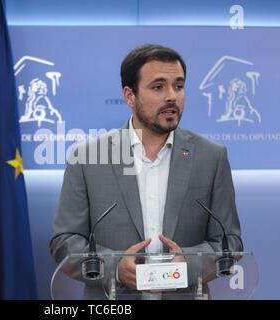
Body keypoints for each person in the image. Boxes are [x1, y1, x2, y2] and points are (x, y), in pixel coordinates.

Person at [49, 44, 243, 299]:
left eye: (179, 86)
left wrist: (189, 264)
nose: (171, 96)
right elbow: (64, 242)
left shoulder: (211, 157)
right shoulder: (87, 159)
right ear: (130, 96)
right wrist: (115, 267)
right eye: (158, 87)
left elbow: (231, 242)